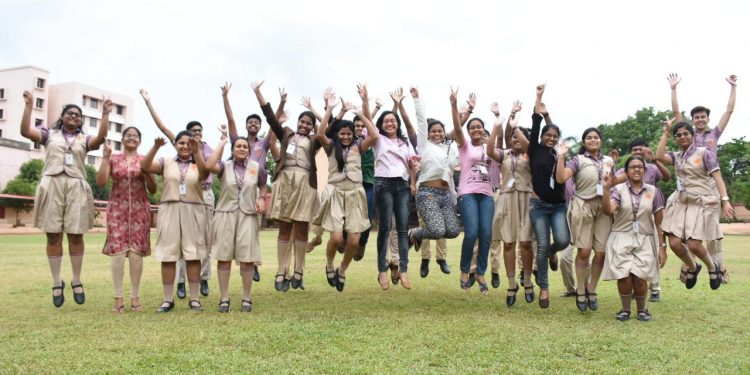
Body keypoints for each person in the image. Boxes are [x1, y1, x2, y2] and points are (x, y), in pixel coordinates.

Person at [19, 91, 110, 308]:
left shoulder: (83, 140)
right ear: (62, 116)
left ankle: (77, 280)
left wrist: (105, 114)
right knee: (53, 236)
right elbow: (25, 132)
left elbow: (100, 139)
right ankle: (56, 281)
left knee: (76, 235)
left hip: (76, 185)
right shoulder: (49, 134)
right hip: (52, 183)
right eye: (70, 113)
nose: (74, 117)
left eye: (78, 115)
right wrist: (30, 106)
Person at [140, 89, 213, 299]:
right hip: (170, 208)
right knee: (169, 255)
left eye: (188, 143)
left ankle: (194, 298)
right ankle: (168, 299)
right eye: (180, 142)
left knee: (193, 253)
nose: (184, 146)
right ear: (175, 144)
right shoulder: (167, 162)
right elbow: (145, 166)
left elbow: (205, 172)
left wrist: (197, 150)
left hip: (193, 209)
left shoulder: (198, 161)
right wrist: (154, 148)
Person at [669, 73, 738, 284]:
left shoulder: (713, 135)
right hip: (690, 183)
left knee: (711, 230)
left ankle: (718, 269)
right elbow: (676, 113)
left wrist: (733, 87)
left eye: (703, 117)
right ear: (692, 121)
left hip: (709, 183)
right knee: (684, 230)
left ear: (707, 119)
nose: (700, 120)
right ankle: (689, 269)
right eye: (696, 117)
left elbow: (729, 111)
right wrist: (673, 89)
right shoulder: (686, 135)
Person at [252, 81, 320, 292]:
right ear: (298, 122)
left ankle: (299, 270)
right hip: (285, 181)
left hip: (304, 184)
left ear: (312, 126)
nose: (304, 125)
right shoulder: (287, 135)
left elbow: (327, 128)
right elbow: (271, 119)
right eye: (302, 122)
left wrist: (322, 110)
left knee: (301, 228)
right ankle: (282, 270)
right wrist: (260, 94)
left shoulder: (316, 140)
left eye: (309, 123)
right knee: (284, 228)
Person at [655, 118, 734, 291]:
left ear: (692, 136)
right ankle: (693, 267)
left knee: (694, 245)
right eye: (678, 135)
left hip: (701, 203)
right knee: (674, 243)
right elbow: (659, 156)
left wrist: (725, 200)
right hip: (682, 202)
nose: (682, 137)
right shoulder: (677, 156)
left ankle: (713, 268)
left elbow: (718, 177)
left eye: (685, 134)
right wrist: (666, 132)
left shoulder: (704, 153)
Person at [313, 92, 378, 292]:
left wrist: (361, 114)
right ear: (338, 135)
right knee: (337, 239)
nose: (346, 136)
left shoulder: (359, 147)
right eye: (342, 133)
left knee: (354, 241)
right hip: (336, 194)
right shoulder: (331, 147)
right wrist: (331, 109)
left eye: (349, 133)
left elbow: (374, 135)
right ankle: (330, 264)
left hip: (355, 194)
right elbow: (320, 133)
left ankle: (342, 270)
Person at [221, 82, 281, 283]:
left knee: (252, 229)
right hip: (234, 188)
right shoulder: (238, 142)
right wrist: (225, 97)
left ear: (260, 126)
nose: (253, 124)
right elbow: (230, 119)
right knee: (232, 230)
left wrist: (281, 103)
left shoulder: (263, 143)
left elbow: (274, 123)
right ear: (246, 126)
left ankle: (252, 264)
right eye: (250, 122)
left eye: (257, 122)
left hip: (254, 190)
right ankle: (238, 261)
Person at [96, 127, 156, 313]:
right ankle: (118, 298)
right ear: (122, 139)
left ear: (139, 141)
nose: (132, 138)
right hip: (117, 210)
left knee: (137, 255)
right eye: (128, 135)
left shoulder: (144, 160)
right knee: (118, 254)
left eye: (135, 136)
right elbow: (101, 181)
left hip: (140, 211)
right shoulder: (113, 159)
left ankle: (135, 298)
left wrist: (146, 171)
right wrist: (105, 159)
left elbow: (153, 189)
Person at [556, 127, 616, 312]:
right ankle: (580, 289)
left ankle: (592, 289)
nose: (593, 140)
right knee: (584, 251)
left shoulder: (609, 161)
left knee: (600, 252)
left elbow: (613, 183)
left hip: (603, 207)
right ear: (584, 142)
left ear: (600, 141)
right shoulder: (578, 160)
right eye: (589, 138)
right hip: (583, 205)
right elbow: (561, 178)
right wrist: (560, 156)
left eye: (596, 137)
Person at [205, 135, 266, 312]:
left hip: (248, 215)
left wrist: (262, 198)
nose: (241, 149)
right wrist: (222, 143)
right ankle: (224, 298)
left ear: (249, 150)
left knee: (247, 258)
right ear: (233, 149)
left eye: (244, 146)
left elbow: (263, 184)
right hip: (226, 215)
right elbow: (209, 166)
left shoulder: (256, 167)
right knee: (224, 257)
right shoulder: (225, 166)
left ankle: (246, 298)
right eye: (237, 146)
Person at [601, 156, 667, 322]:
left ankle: (642, 310)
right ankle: (625, 310)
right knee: (624, 276)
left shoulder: (653, 191)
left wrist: (662, 246)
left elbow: (660, 222)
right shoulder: (618, 189)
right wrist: (607, 189)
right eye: (632, 167)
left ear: (645, 171)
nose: (636, 169)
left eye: (640, 167)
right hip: (621, 237)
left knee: (640, 276)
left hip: (645, 238)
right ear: (626, 171)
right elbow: (609, 210)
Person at [407, 87, 459, 278]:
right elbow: (421, 122)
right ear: (428, 134)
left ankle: (417, 235)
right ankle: (414, 235)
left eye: (440, 131)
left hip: (445, 195)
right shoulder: (424, 145)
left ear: (445, 133)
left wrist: (462, 109)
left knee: (452, 231)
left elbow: (450, 175)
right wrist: (417, 99)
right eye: (433, 131)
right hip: (427, 192)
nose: (437, 133)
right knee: (436, 230)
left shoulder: (450, 149)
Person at [526, 84, 570, 309]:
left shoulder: (559, 153)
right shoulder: (534, 149)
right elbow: (536, 123)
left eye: (555, 135)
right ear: (542, 137)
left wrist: (550, 118)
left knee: (562, 241)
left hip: (559, 206)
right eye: (548, 135)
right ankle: (544, 287)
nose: (552, 138)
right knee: (542, 245)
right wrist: (539, 98)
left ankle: (554, 252)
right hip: (539, 206)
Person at [613, 138, 671, 302]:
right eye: (635, 150)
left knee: (652, 252)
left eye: (641, 149)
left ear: (646, 149)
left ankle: (655, 288)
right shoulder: (625, 170)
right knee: (633, 255)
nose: (638, 152)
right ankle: (634, 287)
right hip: (630, 217)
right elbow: (612, 184)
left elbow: (667, 177)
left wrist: (656, 160)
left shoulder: (652, 167)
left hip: (650, 213)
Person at [487, 111, 535, 307]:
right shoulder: (504, 154)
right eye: (513, 137)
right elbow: (490, 151)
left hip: (525, 199)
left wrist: (515, 127)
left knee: (525, 243)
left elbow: (529, 147)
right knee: (508, 243)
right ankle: (511, 283)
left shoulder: (531, 154)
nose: (516, 140)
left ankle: (528, 281)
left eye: (519, 137)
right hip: (506, 199)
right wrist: (496, 126)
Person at [373, 88, 419, 290]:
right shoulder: (378, 139)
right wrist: (392, 105)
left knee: (402, 229)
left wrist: (413, 182)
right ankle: (382, 270)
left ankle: (404, 269)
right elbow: (369, 121)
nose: (390, 123)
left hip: (401, 186)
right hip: (383, 184)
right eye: (386, 121)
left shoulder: (404, 142)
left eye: (393, 120)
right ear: (381, 126)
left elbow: (411, 163)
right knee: (384, 229)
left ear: (397, 123)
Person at [450, 89, 494, 295]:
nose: (476, 129)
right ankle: (465, 270)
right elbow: (457, 127)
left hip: (486, 195)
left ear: (484, 130)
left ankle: (480, 272)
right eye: (473, 127)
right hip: (467, 193)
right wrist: (456, 105)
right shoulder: (465, 146)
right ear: (469, 132)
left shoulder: (490, 148)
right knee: (471, 233)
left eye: (479, 127)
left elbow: (503, 139)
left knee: (486, 234)